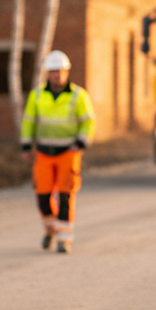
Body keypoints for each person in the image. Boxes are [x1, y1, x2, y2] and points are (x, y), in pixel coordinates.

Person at [20, 50, 95, 253]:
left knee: (65, 195)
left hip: (68, 153)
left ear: (67, 72)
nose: (57, 75)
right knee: (42, 196)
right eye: (53, 72)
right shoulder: (37, 95)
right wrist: (26, 146)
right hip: (44, 152)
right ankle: (51, 229)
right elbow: (28, 122)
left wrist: (80, 143)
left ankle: (64, 238)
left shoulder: (78, 95)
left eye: (61, 71)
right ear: (47, 73)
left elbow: (88, 122)